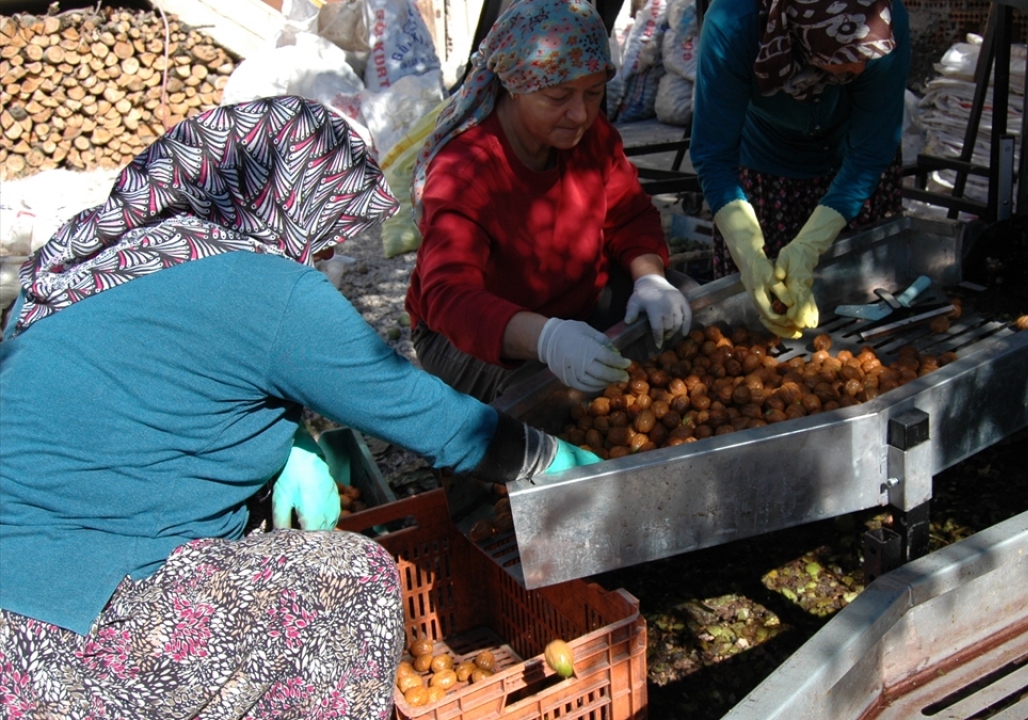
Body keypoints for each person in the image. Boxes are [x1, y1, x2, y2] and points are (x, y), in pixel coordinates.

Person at [0, 96, 598, 720]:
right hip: (69, 642)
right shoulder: (265, 286)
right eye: (329, 237)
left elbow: (136, 393)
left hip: (26, 603)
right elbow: (420, 410)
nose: (330, 258)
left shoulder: (82, 264)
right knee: (352, 577)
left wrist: (286, 442)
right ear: (292, 201)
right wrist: (545, 455)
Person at [404, 0, 694, 404]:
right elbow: (449, 297)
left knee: (683, 305)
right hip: (473, 335)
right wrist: (547, 339)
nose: (579, 114)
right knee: (548, 400)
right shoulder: (466, 171)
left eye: (593, 93)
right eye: (559, 96)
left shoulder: (591, 138)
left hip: (576, 302)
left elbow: (628, 214)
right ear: (516, 87)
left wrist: (650, 278)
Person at [691, 0, 911, 338]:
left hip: (851, 164)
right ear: (804, 33)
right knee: (764, 318)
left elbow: (869, 154)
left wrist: (810, 243)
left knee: (866, 302)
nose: (859, 71)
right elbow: (713, 154)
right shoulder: (735, 23)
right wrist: (748, 251)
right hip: (769, 165)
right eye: (847, 57)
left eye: (867, 57)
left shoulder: (879, 19)